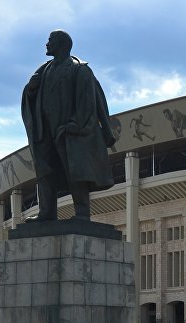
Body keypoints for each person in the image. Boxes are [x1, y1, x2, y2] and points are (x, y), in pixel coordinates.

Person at [21, 30, 118, 221]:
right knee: (45, 170)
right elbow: (34, 97)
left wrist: (74, 125)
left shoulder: (79, 69)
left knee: (76, 170)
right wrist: (30, 90)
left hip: (70, 131)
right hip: (46, 130)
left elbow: (87, 102)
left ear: (61, 44)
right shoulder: (45, 69)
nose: (46, 44)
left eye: (50, 41)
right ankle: (47, 212)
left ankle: (82, 212)